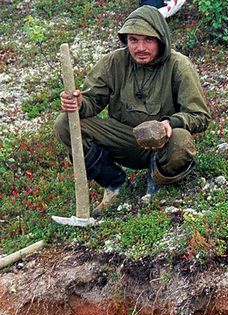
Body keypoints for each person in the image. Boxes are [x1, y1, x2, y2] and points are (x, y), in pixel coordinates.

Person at [54, 6, 210, 216]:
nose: (140, 47)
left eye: (148, 40)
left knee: (181, 142)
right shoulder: (113, 62)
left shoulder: (179, 65)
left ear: (161, 40)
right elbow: (92, 101)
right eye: (133, 40)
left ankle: (156, 182)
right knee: (64, 122)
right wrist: (79, 103)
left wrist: (170, 123)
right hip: (125, 140)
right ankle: (115, 185)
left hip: (162, 143)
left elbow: (199, 116)